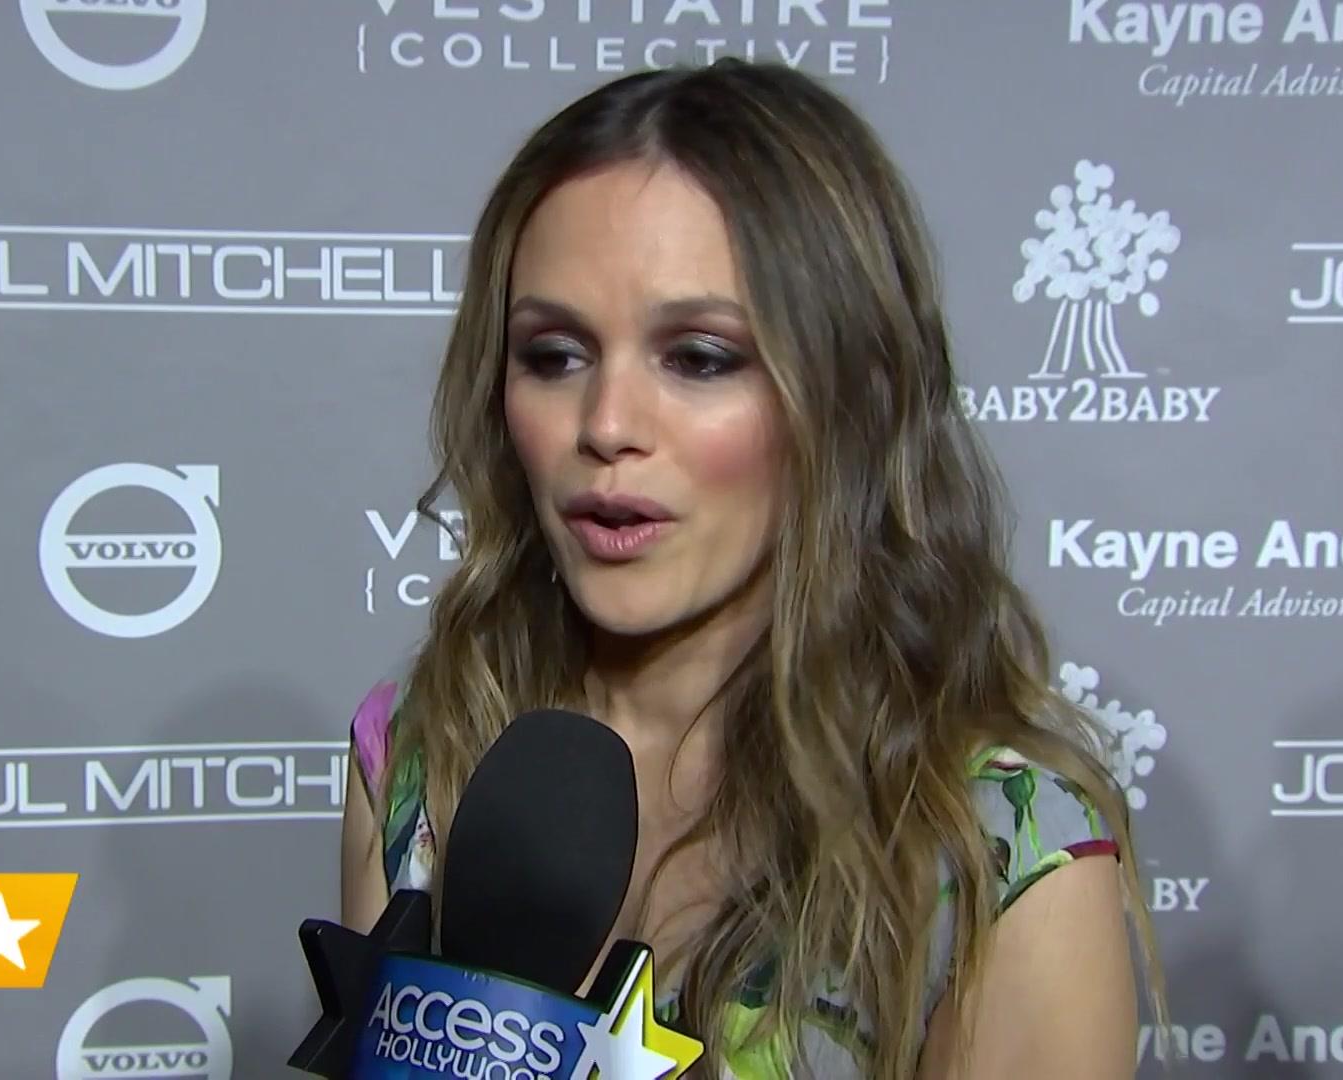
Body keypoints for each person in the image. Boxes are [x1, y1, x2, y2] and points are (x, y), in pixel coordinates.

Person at [339, 58, 1167, 1080]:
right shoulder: (432, 750)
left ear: (848, 393)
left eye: (699, 357)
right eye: (554, 355)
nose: (606, 427)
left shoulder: (994, 849)